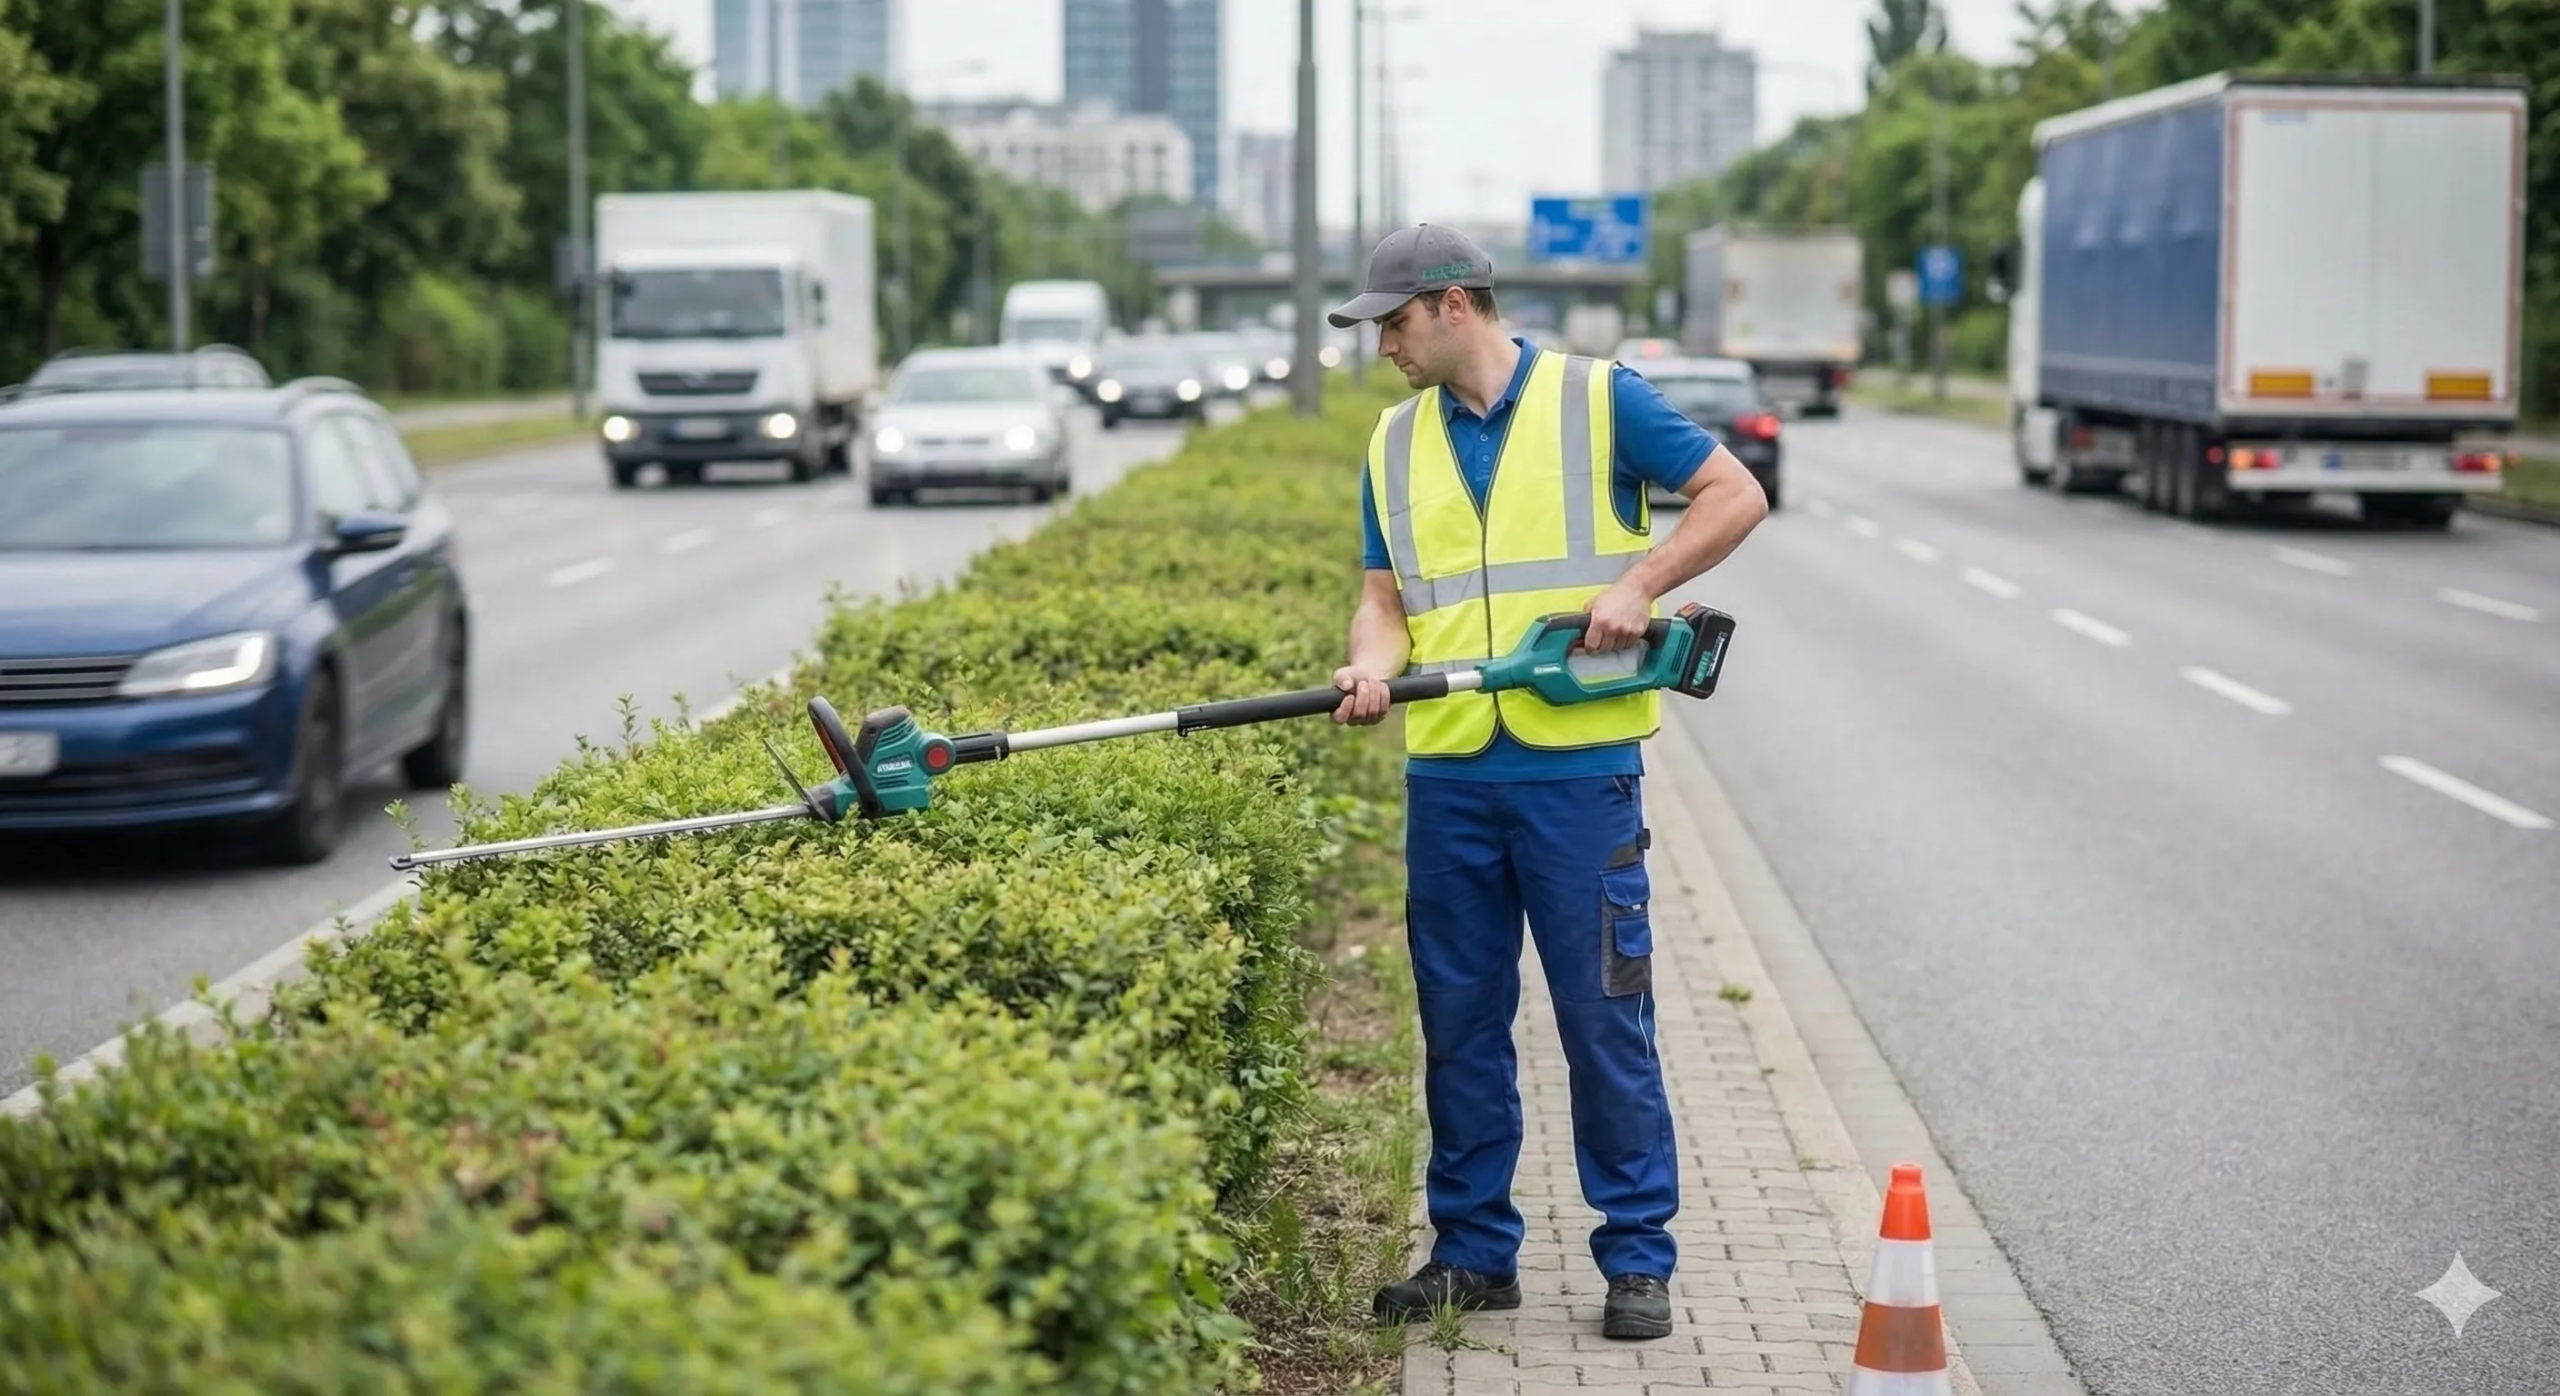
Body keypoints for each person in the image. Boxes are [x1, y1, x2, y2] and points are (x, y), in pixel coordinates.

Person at [1326, 224, 1767, 1342]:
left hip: (1577, 771)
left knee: (1601, 1014)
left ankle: (1636, 1257)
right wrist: (1370, 668)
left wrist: (1641, 581)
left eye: (1389, 321)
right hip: (1451, 774)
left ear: (1449, 305)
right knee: (1458, 1023)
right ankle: (1474, 1254)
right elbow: (1384, 597)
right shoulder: (1390, 440)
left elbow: (1732, 495)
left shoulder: (1596, 399)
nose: (1380, 345)